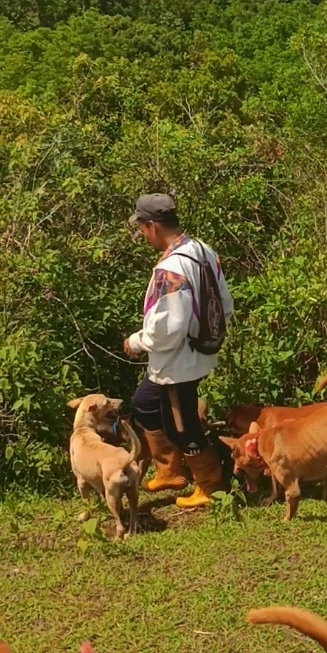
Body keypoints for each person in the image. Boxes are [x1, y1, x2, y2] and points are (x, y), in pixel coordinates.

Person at [124, 193, 234, 508]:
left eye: (142, 228)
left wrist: (135, 342)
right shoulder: (202, 250)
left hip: (176, 361)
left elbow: (165, 329)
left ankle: (210, 487)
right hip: (197, 351)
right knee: (144, 404)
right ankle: (170, 471)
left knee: (180, 424)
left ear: (152, 225)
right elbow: (225, 303)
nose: (142, 235)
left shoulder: (170, 269)